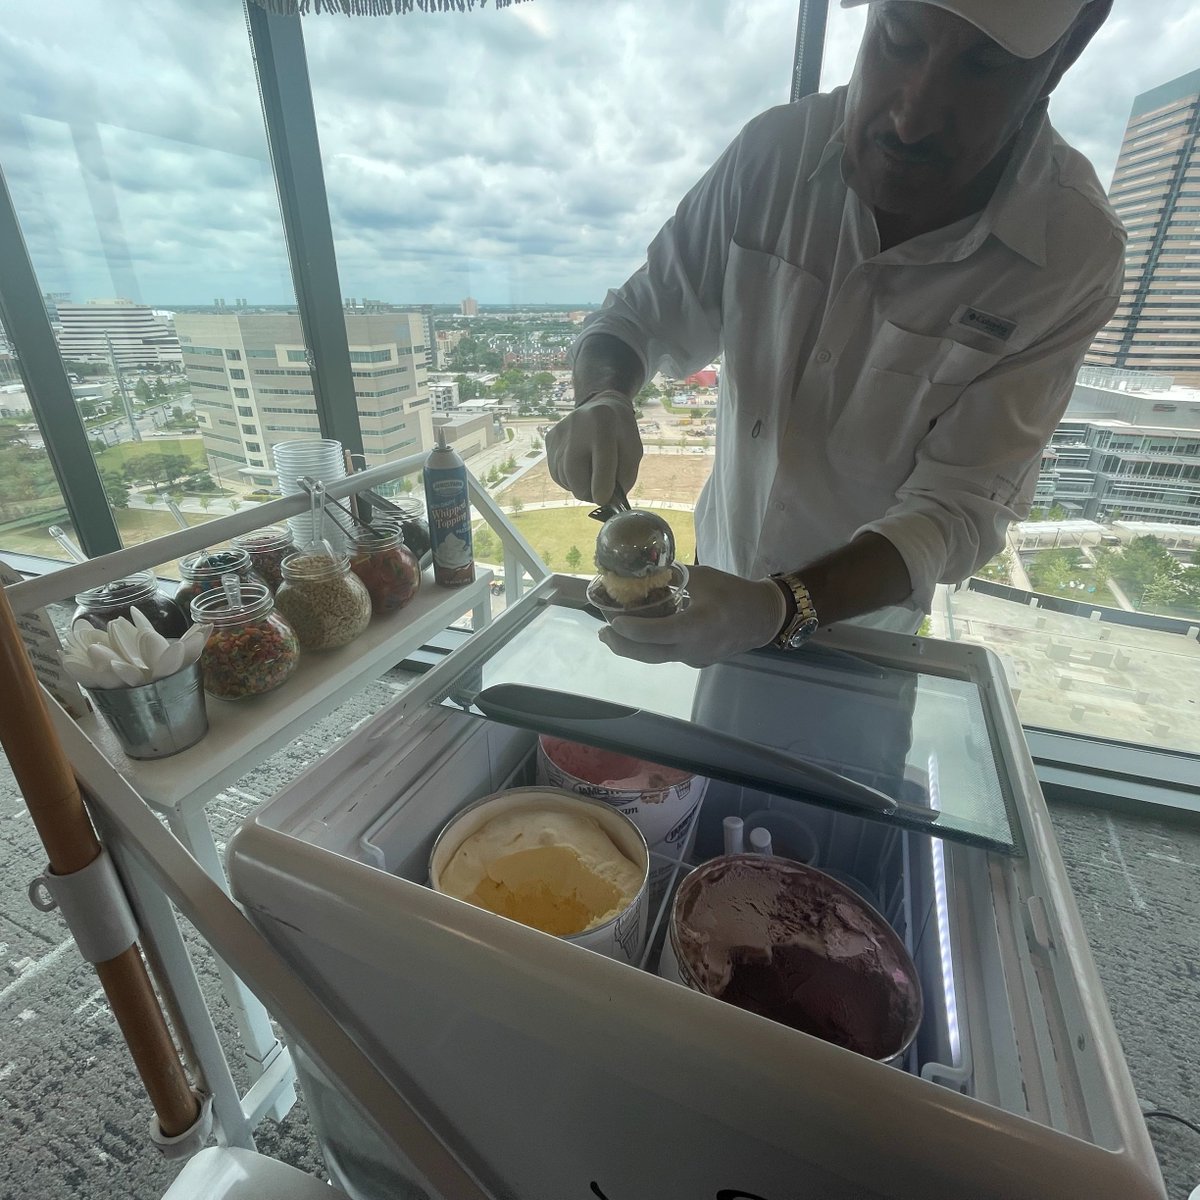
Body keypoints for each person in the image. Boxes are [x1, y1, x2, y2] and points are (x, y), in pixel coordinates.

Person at [548, 0, 1123, 667]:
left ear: (1066, 55)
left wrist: (778, 608)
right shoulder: (772, 157)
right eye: (899, 41)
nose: (912, 119)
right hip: (709, 599)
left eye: (982, 66)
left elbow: (958, 510)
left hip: (861, 646)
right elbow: (633, 318)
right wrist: (602, 397)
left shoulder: (1072, 251)